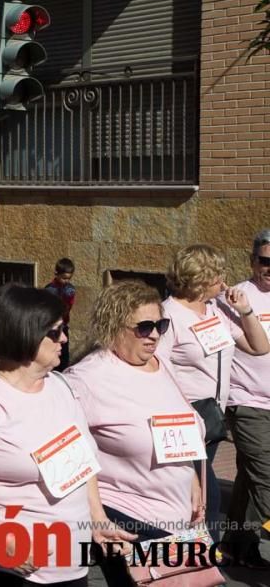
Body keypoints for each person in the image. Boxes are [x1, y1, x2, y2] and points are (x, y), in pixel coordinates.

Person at [0, 285, 128, 586]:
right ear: (25, 333)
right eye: (55, 332)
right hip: (16, 569)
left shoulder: (62, 387)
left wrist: (97, 517)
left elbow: (82, 463)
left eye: (63, 329)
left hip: (71, 565)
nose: (64, 339)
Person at [65, 280, 204, 586]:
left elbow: (178, 427)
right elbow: (69, 454)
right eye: (144, 327)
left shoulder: (160, 364)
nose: (154, 335)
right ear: (113, 325)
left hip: (181, 519)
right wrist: (96, 515)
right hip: (129, 518)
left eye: (160, 324)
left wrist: (191, 475)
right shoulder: (87, 378)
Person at [157, 244, 269, 540]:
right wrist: (181, 412)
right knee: (204, 496)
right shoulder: (170, 314)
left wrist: (244, 310)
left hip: (213, 417)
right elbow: (157, 371)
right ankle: (197, 560)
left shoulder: (215, 308)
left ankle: (206, 555)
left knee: (202, 496)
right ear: (200, 277)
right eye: (218, 274)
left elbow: (259, 346)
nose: (224, 279)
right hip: (184, 419)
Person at [223, 230, 270, 566]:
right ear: (253, 261)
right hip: (249, 403)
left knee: (248, 476)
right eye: (266, 261)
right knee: (267, 477)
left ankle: (237, 545)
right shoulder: (236, 297)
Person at [44, 258, 77, 370]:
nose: (66, 281)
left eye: (69, 278)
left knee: (64, 353)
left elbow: (69, 306)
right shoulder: (49, 289)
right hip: (51, 326)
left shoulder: (70, 289)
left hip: (63, 324)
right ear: (56, 274)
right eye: (64, 278)